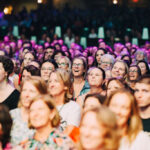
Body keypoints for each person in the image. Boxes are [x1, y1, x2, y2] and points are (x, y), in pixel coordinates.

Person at [10, 76, 48, 145]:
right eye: (24, 90)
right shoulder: (11, 115)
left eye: (31, 91)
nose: (26, 95)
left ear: (41, 94)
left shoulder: (47, 118)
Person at [48, 69, 81, 135]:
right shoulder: (44, 105)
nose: (52, 85)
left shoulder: (73, 107)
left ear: (66, 86)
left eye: (56, 81)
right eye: (50, 81)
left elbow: (71, 133)